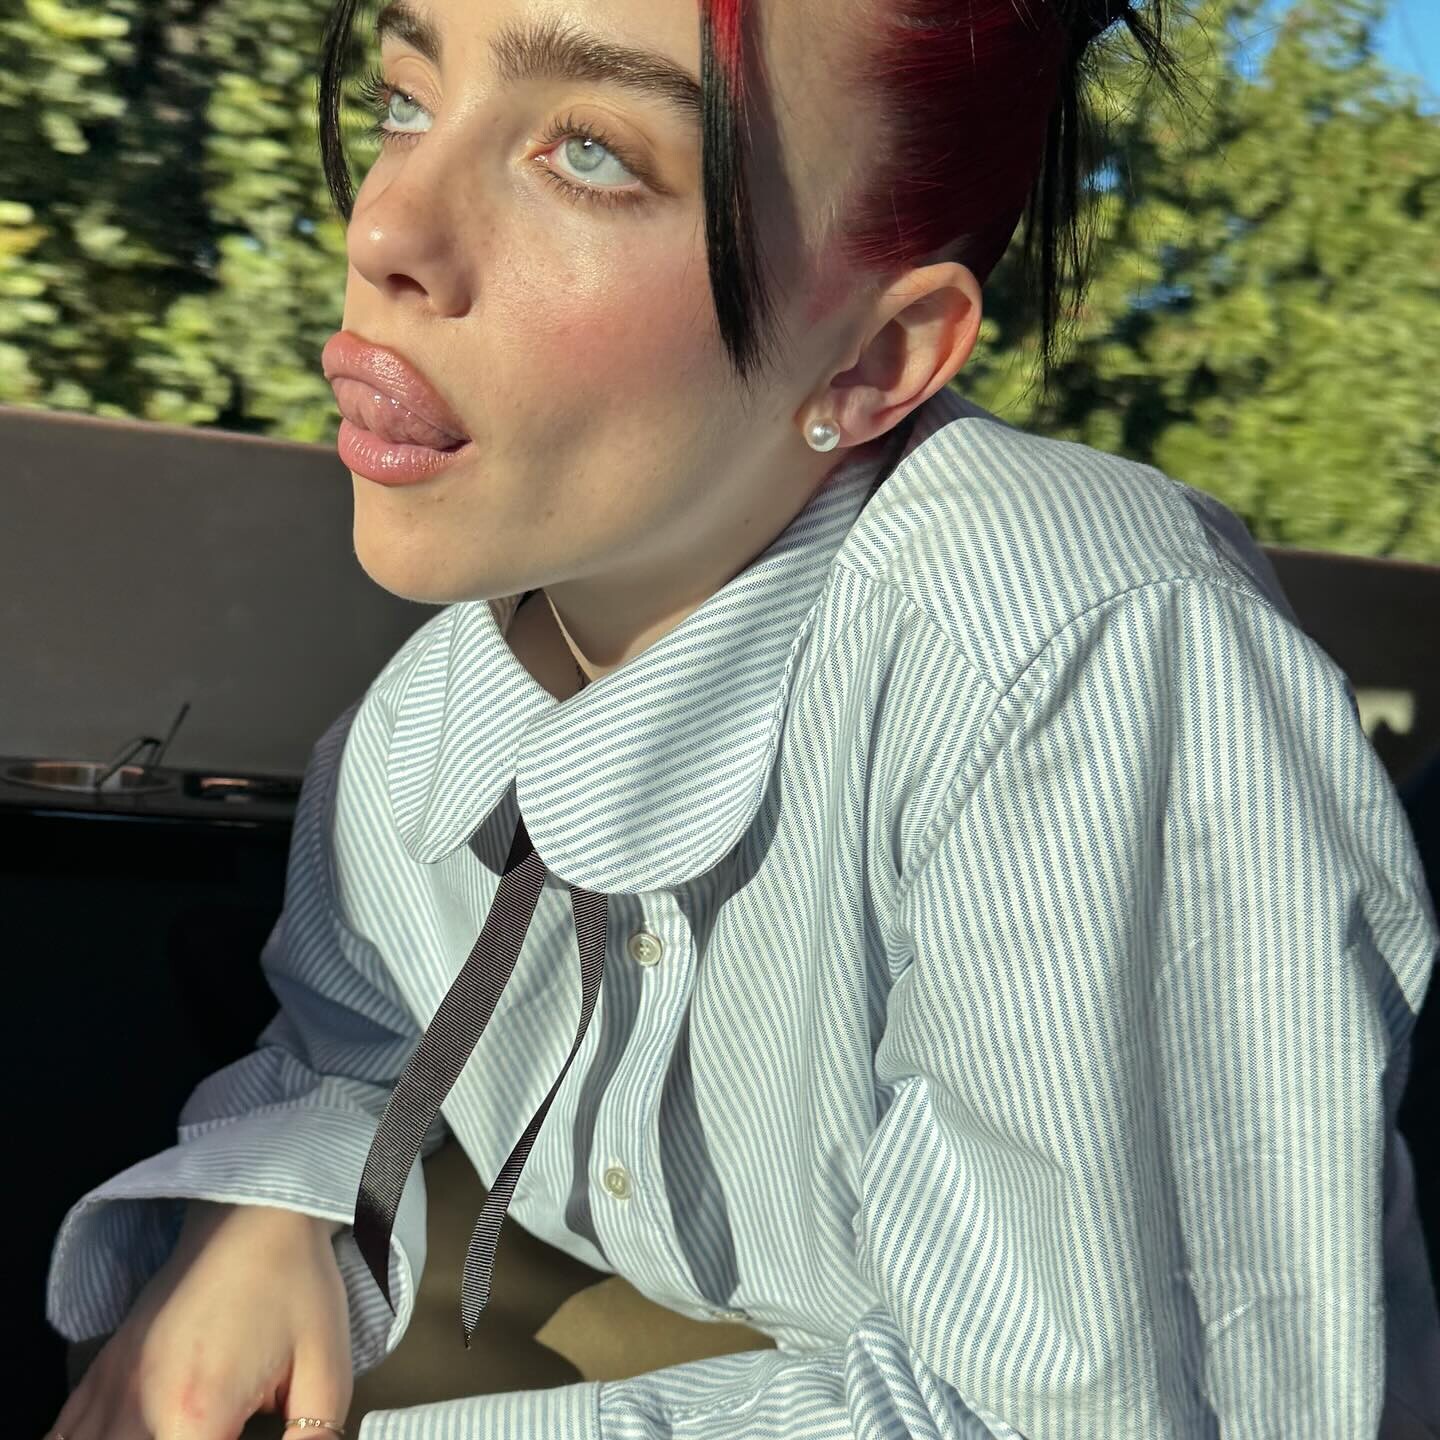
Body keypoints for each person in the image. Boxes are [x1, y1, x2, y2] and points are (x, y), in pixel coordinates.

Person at [44, 0, 1440, 1436]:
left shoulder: (1071, 661)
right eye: (408, 97)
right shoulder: (423, 718)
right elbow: (353, 1030)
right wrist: (262, 1214)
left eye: (590, 154)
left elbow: (1089, 1412)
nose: (387, 227)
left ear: (877, 360)